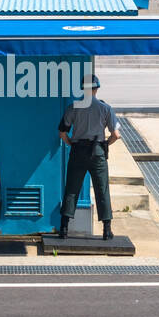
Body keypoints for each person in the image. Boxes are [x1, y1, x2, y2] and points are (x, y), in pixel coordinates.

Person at [57, 74, 121, 240]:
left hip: (78, 150)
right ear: (97, 89)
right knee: (102, 189)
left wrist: (71, 142)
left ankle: (64, 228)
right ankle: (107, 230)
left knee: (72, 188)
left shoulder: (73, 107)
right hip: (97, 150)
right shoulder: (105, 108)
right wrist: (106, 144)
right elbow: (116, 135)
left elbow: (62, 132)